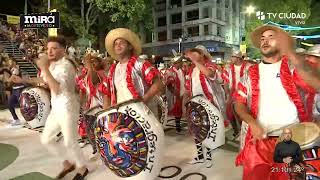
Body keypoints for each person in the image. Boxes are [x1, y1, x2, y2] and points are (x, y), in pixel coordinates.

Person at [233, 25, 318, 180]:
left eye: (271, 37)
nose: (265, 41)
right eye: (263, 38)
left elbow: (316, 83)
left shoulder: (293, 67)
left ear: (281, 42)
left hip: (293, 142)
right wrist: (252, 123)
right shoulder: (249, 73)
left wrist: (291, 53)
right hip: (259, 143)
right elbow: (238, 104)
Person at [14, 36, 89, 179]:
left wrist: (44, 68)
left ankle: (82, 167)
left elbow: (56, 88)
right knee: (46, 139)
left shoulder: (66, 65)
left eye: (54, 48)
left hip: (68, 106)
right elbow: (44, 80)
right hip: (56, 107)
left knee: (69, 141)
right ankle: (67, 164)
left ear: (63, 49)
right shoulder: (52, 65)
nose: (50, 51)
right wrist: (24, 80)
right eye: (48, 48)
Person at [102, 28, 163, 116]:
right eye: (115, 44)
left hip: (144, 115)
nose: (118, 46)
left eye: (121, 43)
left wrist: (143, 100)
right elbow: (107, 94)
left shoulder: (140, 64)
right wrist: (106, 114)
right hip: (123, 116)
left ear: (130, 46)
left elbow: (158, 84)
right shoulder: (113, 70)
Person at [184, 45, 226, 168]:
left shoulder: (209, 65)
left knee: (207, 130)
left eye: (196, 53)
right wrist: (184, 104)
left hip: (208, 104)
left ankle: (208, 156)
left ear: (202, 54)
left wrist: (196, 62)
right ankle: (200, 156)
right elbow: (188, 88)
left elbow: (210, 74)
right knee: (196, 130)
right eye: (193, 53)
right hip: (194, 105)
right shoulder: (191, 70)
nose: (193, 56)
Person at [222, 50, 250, 138]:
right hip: (232, 92)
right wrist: (227, 95)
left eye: (232, 56)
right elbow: (226, 82)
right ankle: (236, 130)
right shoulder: (228, 68)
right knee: (229, 113)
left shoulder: (248, 67)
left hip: (246, 93)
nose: (231, 58)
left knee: (243, 113)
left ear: (238, 58)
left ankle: (244, 130)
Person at [165, 55, 185, 134]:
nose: (182, 64)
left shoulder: (181, 71)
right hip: (174, 95)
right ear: (176, 63)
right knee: (176, 111)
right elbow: (169, 85)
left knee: (179, 111)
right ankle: (177, 127)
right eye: (180, 62)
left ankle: (178, 125)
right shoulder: (170, 71)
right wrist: (176, 94)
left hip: (180, 94)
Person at [6, 59, 24, 126]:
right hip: (14, 90)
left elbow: (11, 79)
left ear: (14, 62)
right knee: (9, 103)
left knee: (22, 105)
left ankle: (29, 118)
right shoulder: (12, 69)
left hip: (20, 89)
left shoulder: (16, 69)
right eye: (9, 62)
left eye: (11, 62)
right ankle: (16, 119)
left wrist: (7, 79)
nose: (10, 63)